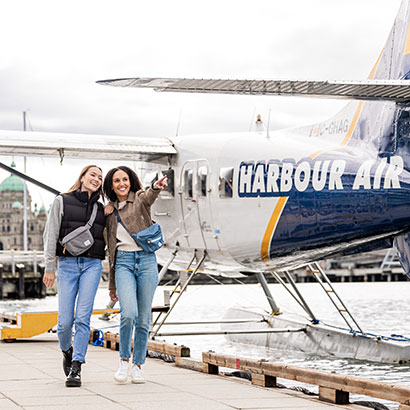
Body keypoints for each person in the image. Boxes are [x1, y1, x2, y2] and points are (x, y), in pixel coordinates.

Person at [43, 165, 106, 387]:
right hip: (67, 265)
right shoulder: (62, 200)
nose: (96, 179)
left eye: (100, 177)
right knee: (64, 322)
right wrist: (49, 267)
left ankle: (77, 367)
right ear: (82, 177)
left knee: (83, 318)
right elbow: (50, 234)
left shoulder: (101, 208)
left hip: (92, 265)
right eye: (93, 175)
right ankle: (66, 351)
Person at [103, 166, 167, 384]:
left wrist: (156, 188)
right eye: (116, 181)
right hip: (123, 263)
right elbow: (111, 250)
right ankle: (123, 361)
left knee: (143, 319)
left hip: (147, 261)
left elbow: (149, 197)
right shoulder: (109, 212)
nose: (122, 184)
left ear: (130, 181)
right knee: (128, 313)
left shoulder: (139, 199)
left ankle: (138, 365)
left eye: (125, 179)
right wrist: (112, 285)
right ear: (111, 186)